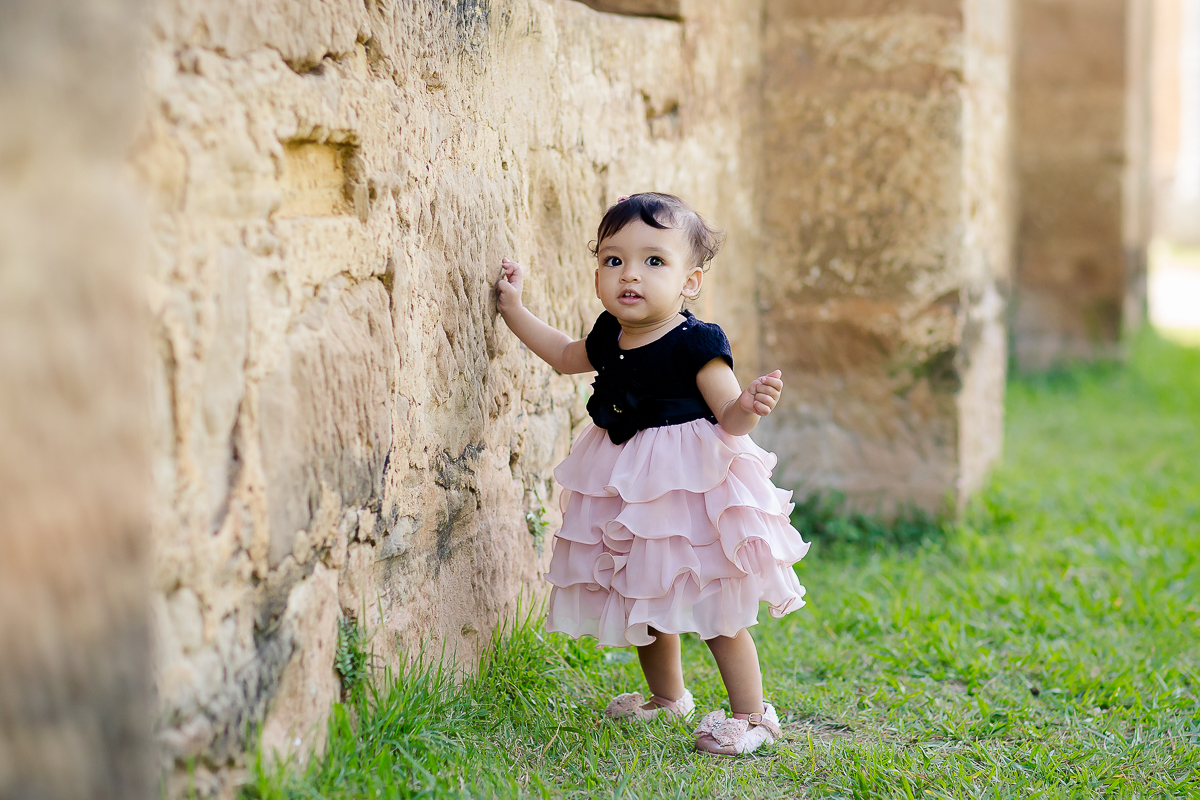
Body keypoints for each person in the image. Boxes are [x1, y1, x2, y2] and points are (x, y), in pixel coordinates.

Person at [494, 192, 810, 755]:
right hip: (628, 482)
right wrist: (514, 309)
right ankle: (668, 697)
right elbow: (565, 355)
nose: (630, 275)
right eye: (614, 260)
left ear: (690, 281)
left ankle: (754, 714)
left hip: (690, 488)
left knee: (713, 603)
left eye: (654, 261)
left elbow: (729, 417)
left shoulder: (697, 343)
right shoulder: (610, 335)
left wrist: (751, 404)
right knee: (645, 589)